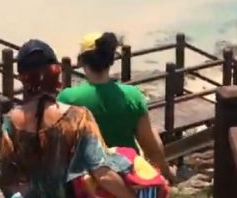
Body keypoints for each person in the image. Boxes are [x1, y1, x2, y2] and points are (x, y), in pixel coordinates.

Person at [0, 39, 141, 198]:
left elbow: (13, 181)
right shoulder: (79, 117)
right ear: (56, 74)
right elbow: (102, 172)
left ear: (23, 78)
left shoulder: (10, 122)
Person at [58, 32, 175, 184]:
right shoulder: (132, 96)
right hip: (127, 177)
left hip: (87, 181)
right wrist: (167, 174)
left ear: (81, 62)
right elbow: (151, 146)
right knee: (152, 130)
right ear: (111, 60)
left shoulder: (68, 98)